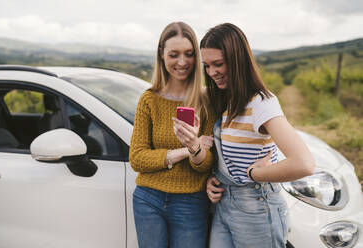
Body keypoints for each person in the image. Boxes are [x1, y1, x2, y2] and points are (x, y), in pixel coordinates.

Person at [200, 23, 316, 248]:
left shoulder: (262, 103)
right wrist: (217, 178)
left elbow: (304, 163)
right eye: (207, 66)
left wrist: (255, 174)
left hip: (256, 209)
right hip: (225, 204)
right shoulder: (228, 100)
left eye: (218, 64)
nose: (211, 72)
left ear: (238, 60)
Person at [129, 22, 215, 248]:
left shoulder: (206, 101)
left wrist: (196, 150)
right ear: (161, 55)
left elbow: (205, 165)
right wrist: (187, 150)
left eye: (188, 54)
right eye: (174, 54)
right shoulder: (149, 99)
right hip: (148, 198)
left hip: (191, 201)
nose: (182, 62)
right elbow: (137, 158)